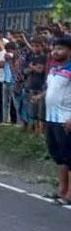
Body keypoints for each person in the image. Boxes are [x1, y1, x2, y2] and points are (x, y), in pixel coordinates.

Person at [41, 36, 71, 204]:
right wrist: (40, 96)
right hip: (50, 118)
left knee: (69, 156)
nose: (56, 51)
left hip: (65, 119)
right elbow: (52, 90)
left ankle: (70, 194)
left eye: (60, 48)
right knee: (58, 155)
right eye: (54, 48)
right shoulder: (53, 69)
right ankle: (62, 190)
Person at [24, 41, 48, 135]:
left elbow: (41, 70)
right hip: (31, 85)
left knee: (41, 112)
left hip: (41, 87)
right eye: (33, 46)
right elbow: (25, 71)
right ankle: (34, 131)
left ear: (42, 46)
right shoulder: (31, 57)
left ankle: (41, 132)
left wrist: (32, 68)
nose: (35, 48)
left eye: (37, 46)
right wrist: (33, 68)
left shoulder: (44, 57)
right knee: (32, 110)